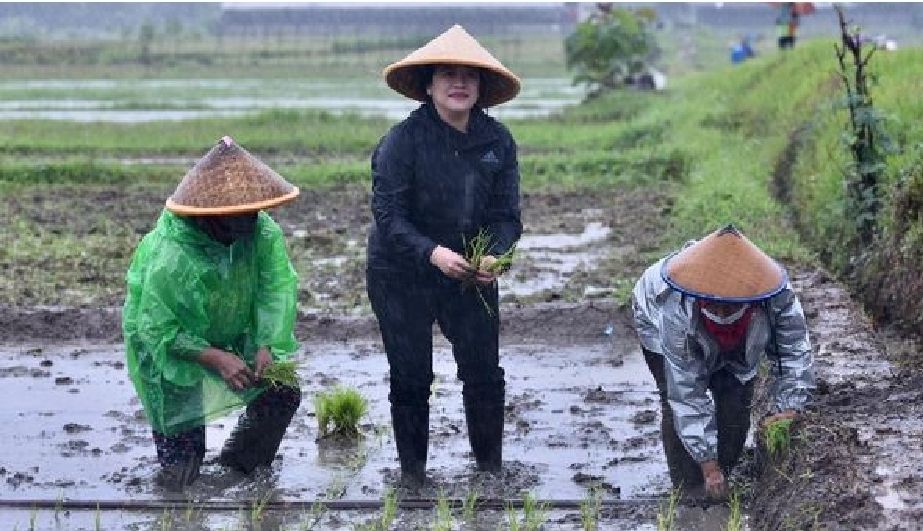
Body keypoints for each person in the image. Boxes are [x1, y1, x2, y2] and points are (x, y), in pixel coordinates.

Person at [366, 24, 523, 487]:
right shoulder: (401, 142)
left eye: (468, 77)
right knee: (412, 376)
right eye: (448, 75)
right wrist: (433, 254)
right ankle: (413, 478)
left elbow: (507, 217)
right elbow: (389, 218)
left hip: (471, 273)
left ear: (481, 88)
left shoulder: (497, 142)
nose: (459, 84)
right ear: (429, 86)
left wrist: (494, 256)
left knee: (483, 373)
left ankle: (489, 472)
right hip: (401, 271)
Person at [123, 136, 302, 490]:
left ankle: (240, 467)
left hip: (232, 332)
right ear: (211, 217)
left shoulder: (262, 233)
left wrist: (266, 344)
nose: (250, 222)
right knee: (182, 466)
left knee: (281, 392)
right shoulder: (174, 255)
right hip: (170, 350)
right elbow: (160, 330)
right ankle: (176, 488)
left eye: (253, 211)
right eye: (238, 216)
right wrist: (214, 357)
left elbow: (275, 290)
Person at [631, 225, 814, 499]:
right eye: (715, 306)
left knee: (736, 396)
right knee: (672, 398)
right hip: (654, 320)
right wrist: (707, 465)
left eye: (730, 306)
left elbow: (793, 350)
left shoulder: (774, 294)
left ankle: (725, 474)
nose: (722, 311)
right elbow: (686, 393)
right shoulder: (675, 310)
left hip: (742, 332)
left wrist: (790, 406)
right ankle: (688, 487)